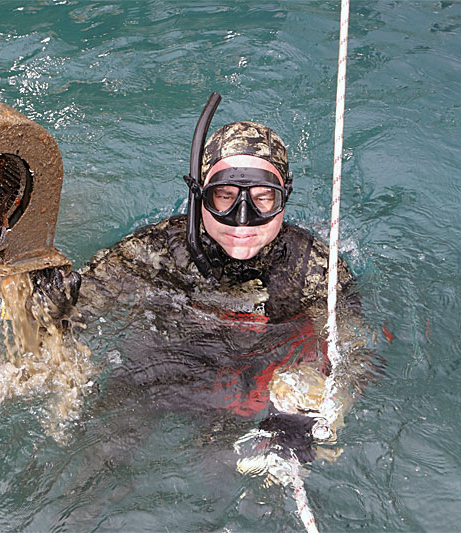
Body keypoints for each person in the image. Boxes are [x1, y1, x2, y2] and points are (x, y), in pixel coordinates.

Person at [28, 95, 376, 470]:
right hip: (155, 373)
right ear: (198, 195)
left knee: (227, 477)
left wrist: (315, 413)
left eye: (264, 199)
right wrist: (48, 299)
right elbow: (74, 308)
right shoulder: (158, 251)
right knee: (96, 462)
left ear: (285, 199)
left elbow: (355, 352)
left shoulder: (313, 269)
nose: (242, 219)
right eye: (224, 198)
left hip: (248, 387)